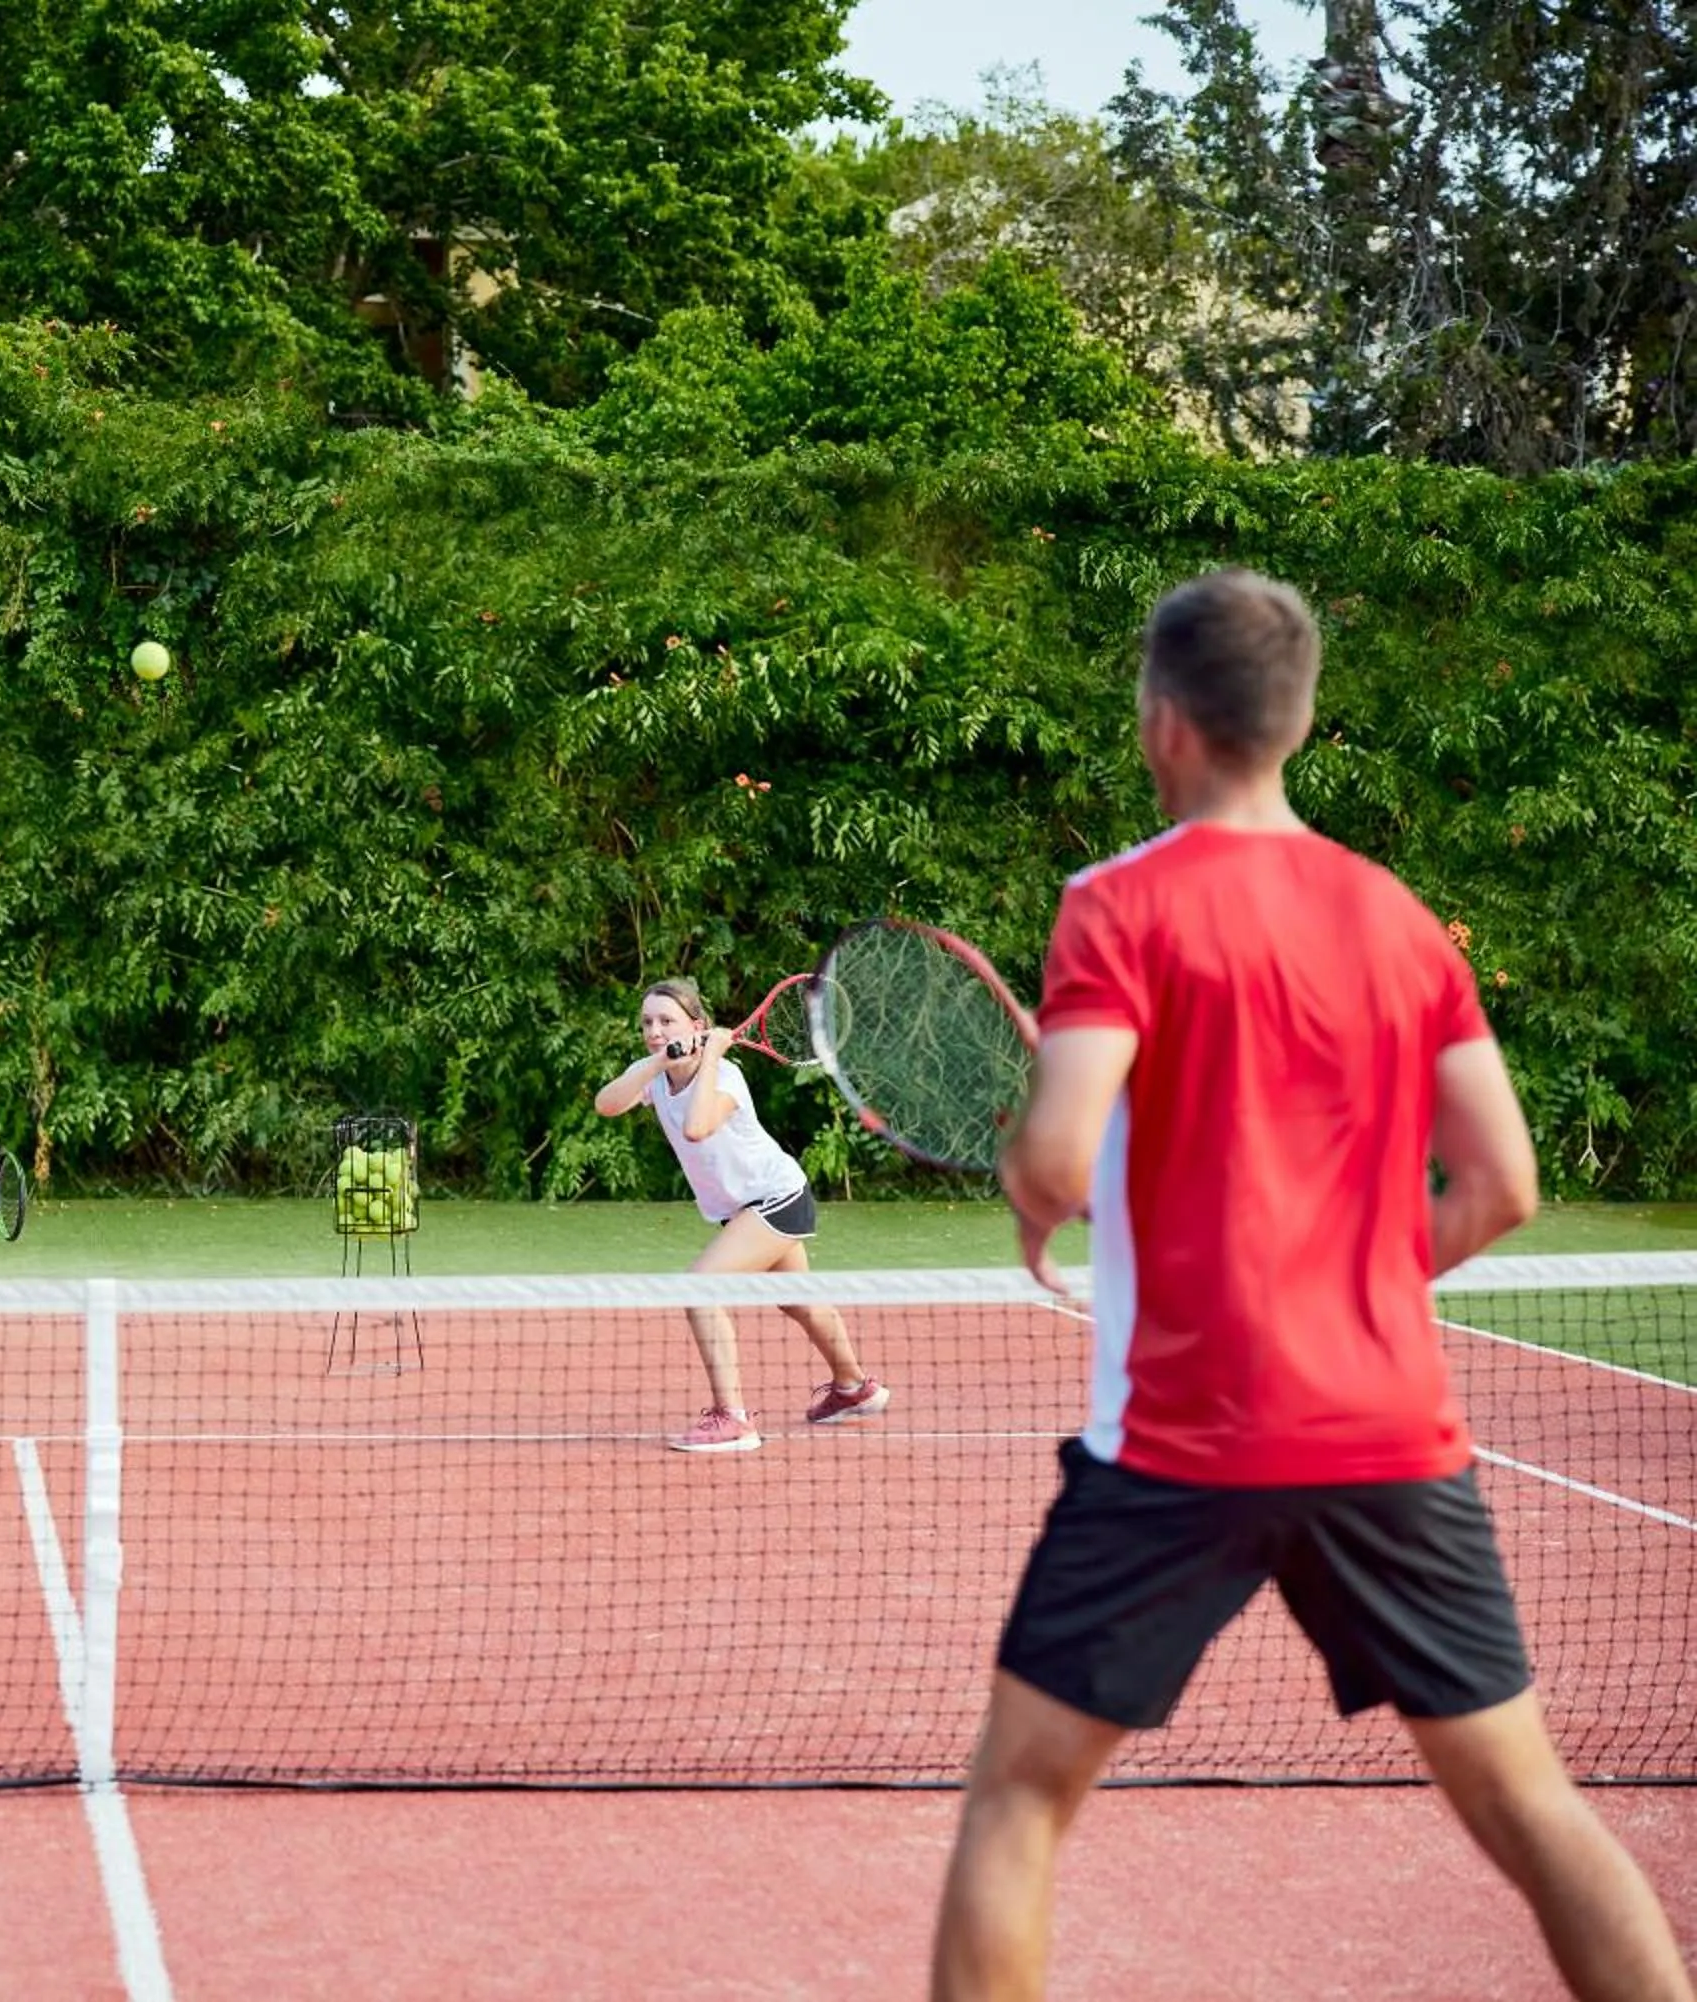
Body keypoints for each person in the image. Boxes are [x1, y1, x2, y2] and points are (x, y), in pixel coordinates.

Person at [932, 570, 1692, 2002]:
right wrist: (1361, 1278)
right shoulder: (1397, 916)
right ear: (1298, 720)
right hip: (1389, 1436)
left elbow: (1052, 1149)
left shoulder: (1119, 904)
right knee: (1534, 1811)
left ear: (1163, 722)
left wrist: (1041, 1177)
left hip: (1177, 1442)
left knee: (1019, 1802)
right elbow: (1505, 1183)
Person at [593, 980, 888, 1452]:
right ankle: (854, 1388)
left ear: (697, 1026)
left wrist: (709, 1056)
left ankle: (733, 1418)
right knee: (797, 1302)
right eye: (647, 1022)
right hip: (745, 1208)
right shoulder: (654, 1072)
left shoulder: (725, 1077)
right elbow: (606, 1104)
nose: (654, 1029)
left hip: (776, 1198)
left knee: (699, 1288)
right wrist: (656, 1060)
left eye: (666, 1020)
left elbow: (696, 1127)